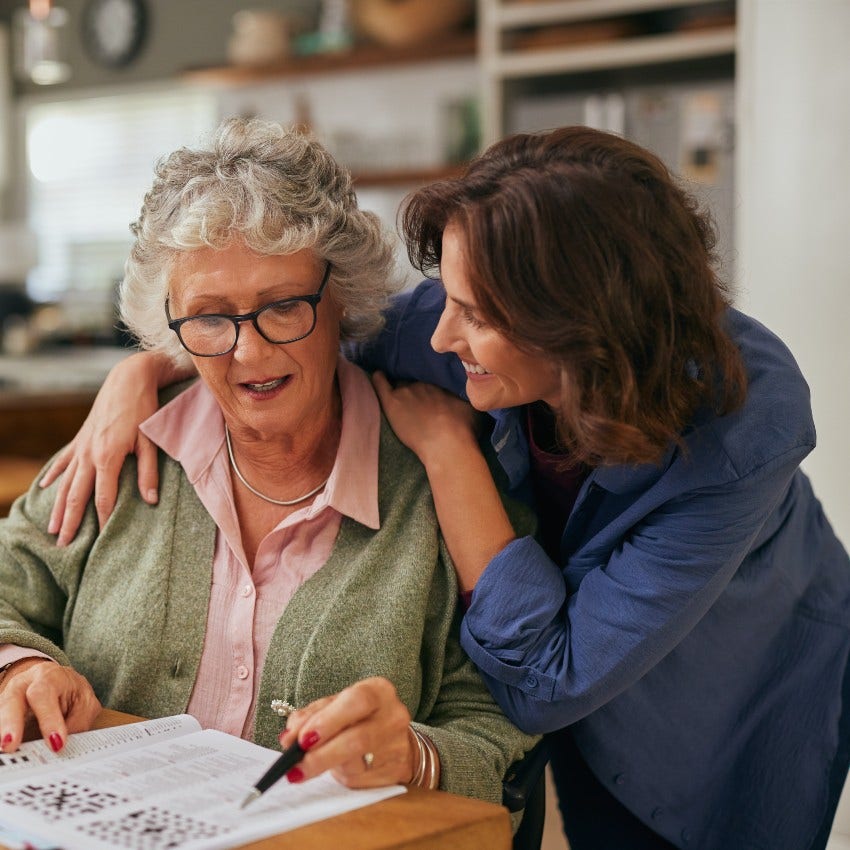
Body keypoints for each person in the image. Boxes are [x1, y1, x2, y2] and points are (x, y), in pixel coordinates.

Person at [41, 126, 849, 850]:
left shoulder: (745, 429)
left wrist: (446, 452)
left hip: (730, 679)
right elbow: (287, 337)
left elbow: (545, 682)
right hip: (537, 638)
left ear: (579, 331)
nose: (437, 333)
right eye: (447, 296)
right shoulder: (452, 327)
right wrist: (144, 369)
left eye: (475, 314)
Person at [0, 117, 539, 811]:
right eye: (209, 317)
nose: (249, 354)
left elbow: (503, 726)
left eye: (284, 307)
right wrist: (22, 668)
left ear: (342, 295)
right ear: (171, 328)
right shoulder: (126, 450)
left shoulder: (445, 485)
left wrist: (414, 754)